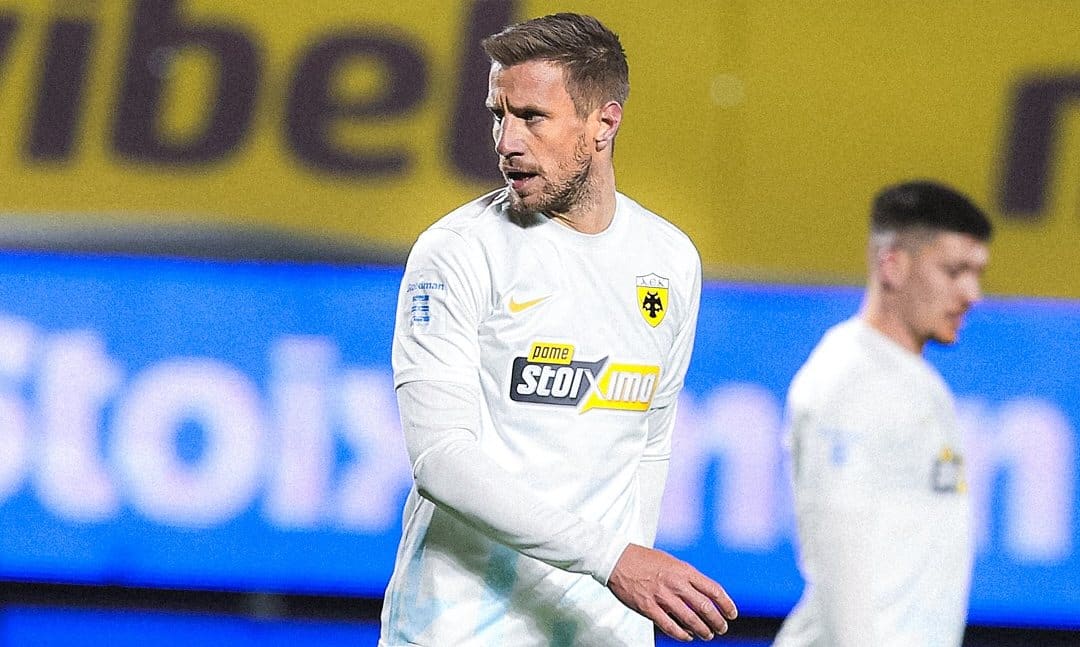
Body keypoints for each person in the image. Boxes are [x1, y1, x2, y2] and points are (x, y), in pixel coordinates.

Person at [379, 12, 737, 647]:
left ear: (603, 123)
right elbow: (441, 460)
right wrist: (612, 560)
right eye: (499, 115)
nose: (507, 141)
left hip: (594, 630)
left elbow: (649, 446)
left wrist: (630, 623)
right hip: (459, 630)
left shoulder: (669, 260)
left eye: (532, 117)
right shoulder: (457, 252)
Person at [772, 180, 993, 647]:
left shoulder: (920, 382)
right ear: (893, 264)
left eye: (977, 272)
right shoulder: (848, 381)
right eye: (954, 271)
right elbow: (840, 554)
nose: (972, 293)